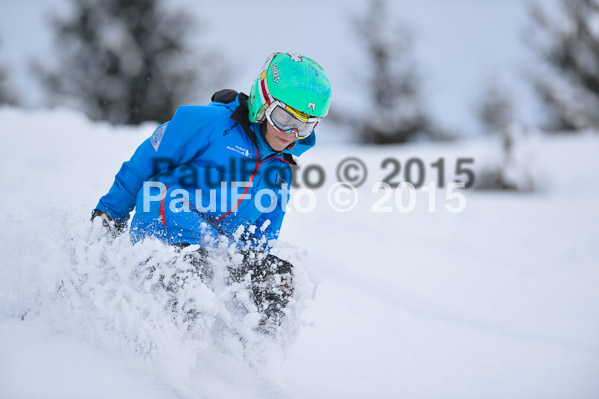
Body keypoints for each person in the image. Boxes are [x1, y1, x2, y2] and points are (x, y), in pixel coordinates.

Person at [91, 52, 332, 329]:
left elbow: (263, 234)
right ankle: (161, 355)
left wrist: (256, 274)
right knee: (196, 269)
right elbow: (144, 163)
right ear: (263, 102)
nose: (291, 132)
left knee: (279, 278)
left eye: (304, 125)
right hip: (166, 226)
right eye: (283, 118)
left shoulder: (279, 171)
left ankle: (248, 356)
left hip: (217, 249)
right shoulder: (210, 124)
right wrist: (110, 213)